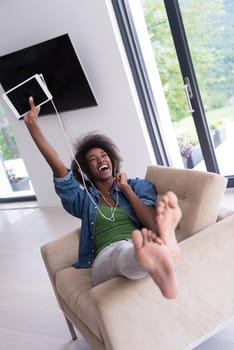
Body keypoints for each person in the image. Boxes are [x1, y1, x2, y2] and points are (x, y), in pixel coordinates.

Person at [24, 97, 181, 299]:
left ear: (112, 160)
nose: (101, 160)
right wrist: (33, 128)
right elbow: (59, 169)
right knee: (123, 253)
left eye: (104, 155)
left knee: (138, 245)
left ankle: (157, 257)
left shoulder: (137, 186)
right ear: (86, 170)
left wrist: (126, 190)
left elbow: (151, 222)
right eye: (93, 159)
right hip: (106, 256)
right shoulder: (83, 199)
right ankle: (159, 253)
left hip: (138, 242)